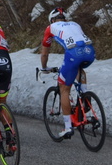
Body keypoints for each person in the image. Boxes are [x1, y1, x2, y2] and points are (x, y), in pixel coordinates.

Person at [39, 7, 96, 138]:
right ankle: (84, 96)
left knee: (64, 88)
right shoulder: (75, 24)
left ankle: (68, 127)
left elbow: (44, 54)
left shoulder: (50, 28)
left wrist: (44, 67)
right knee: (78, 68)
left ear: (52, 20)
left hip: (73, 53)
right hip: (90, 51)